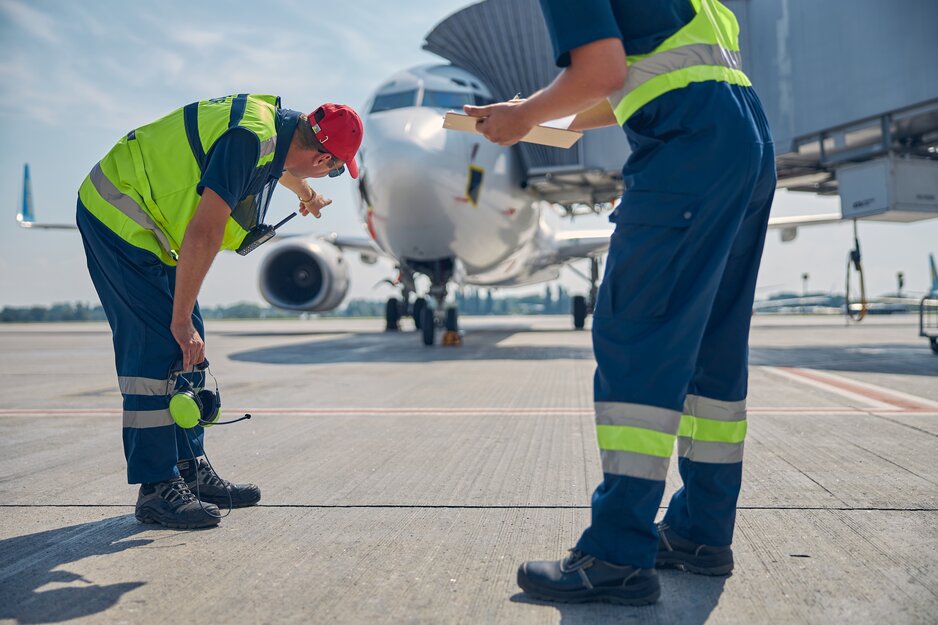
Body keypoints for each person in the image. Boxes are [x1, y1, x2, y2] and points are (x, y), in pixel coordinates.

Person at [465, 0, 775, 605]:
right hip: (745, 142)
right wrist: (549, 117)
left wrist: (521, 117)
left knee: (639, 340)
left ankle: (616, 554)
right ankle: (699, 534)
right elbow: (640, 74)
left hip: (685, 147)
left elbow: (601, 70)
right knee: (713, 348)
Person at [76, 95, 363, 529]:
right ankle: (156, 488)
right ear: (322, 156)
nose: (333, 174)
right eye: (336, 169)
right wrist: (179, 318)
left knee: (190, 344)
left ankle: (189, 470)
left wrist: (306, 192)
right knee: (159, 345)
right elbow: (205, 233)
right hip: (116, 213)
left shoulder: (275, 132)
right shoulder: (249, 140)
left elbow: (280, 166)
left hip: (149, 225)